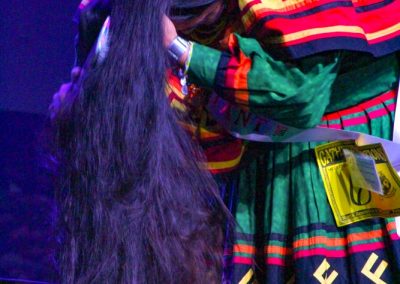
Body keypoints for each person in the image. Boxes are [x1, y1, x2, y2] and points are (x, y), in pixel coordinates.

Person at [51, 0, 400, 283]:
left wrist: (180, 49)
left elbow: (299, 95)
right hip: (262, 169)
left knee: (365, 265)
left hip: (346, 149)